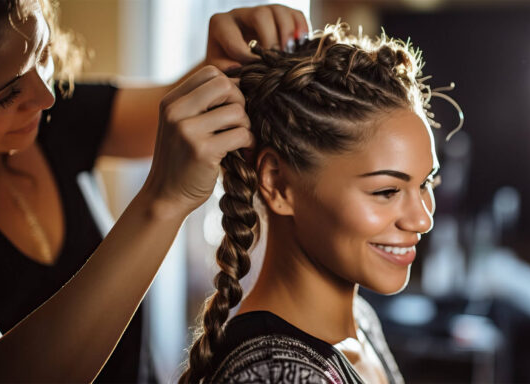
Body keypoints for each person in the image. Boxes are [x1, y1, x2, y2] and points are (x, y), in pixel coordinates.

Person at [0, 1, 308, 382]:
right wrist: (162, 202)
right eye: (4, 96)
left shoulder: (53, 115)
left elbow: (172, 108)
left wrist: (217, 64)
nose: (46, 96)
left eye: (43, 54)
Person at [179, 24, 440, 384]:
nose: (422, 219)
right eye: (386, 191)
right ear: (278, 184)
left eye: (425, 183)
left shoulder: (361, 322)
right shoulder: (273, 377)